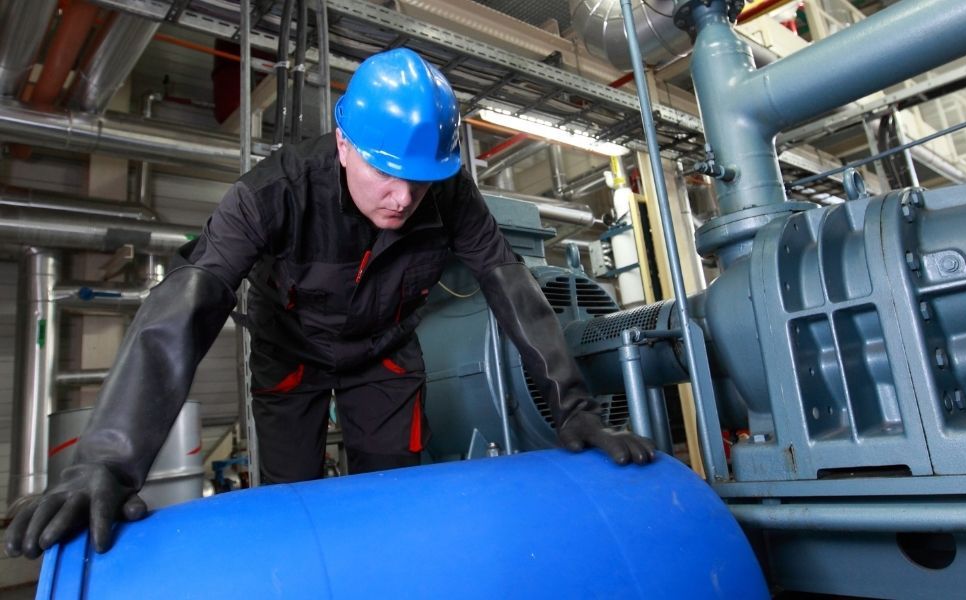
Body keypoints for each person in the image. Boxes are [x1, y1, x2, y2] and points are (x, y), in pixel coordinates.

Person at [5, 48, 655, 560]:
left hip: (385, 358)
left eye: (421, 181)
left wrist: (573, 409)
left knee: (394, 499)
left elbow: (510, 285)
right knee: (294, 504)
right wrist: (108, 459)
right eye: (385, 172)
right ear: (344, 143)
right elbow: (189, 298)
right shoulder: (278, 191)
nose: (403, 197)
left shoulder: (451, 195)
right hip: (292, 359)